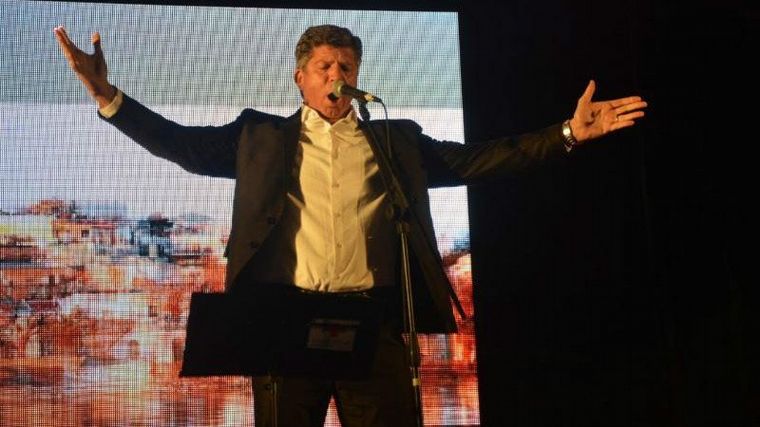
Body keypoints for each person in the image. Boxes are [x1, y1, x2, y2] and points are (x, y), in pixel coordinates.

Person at [54, 24, 646, 427]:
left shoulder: (393, 141)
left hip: (371, 322)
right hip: (284, 324)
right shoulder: (260, 137)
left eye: (346, 65)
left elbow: (479, 159)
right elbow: (181, 145)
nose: (337, 73)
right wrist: (107, 95)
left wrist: (567, 134)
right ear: (301, 78)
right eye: (325, 66)